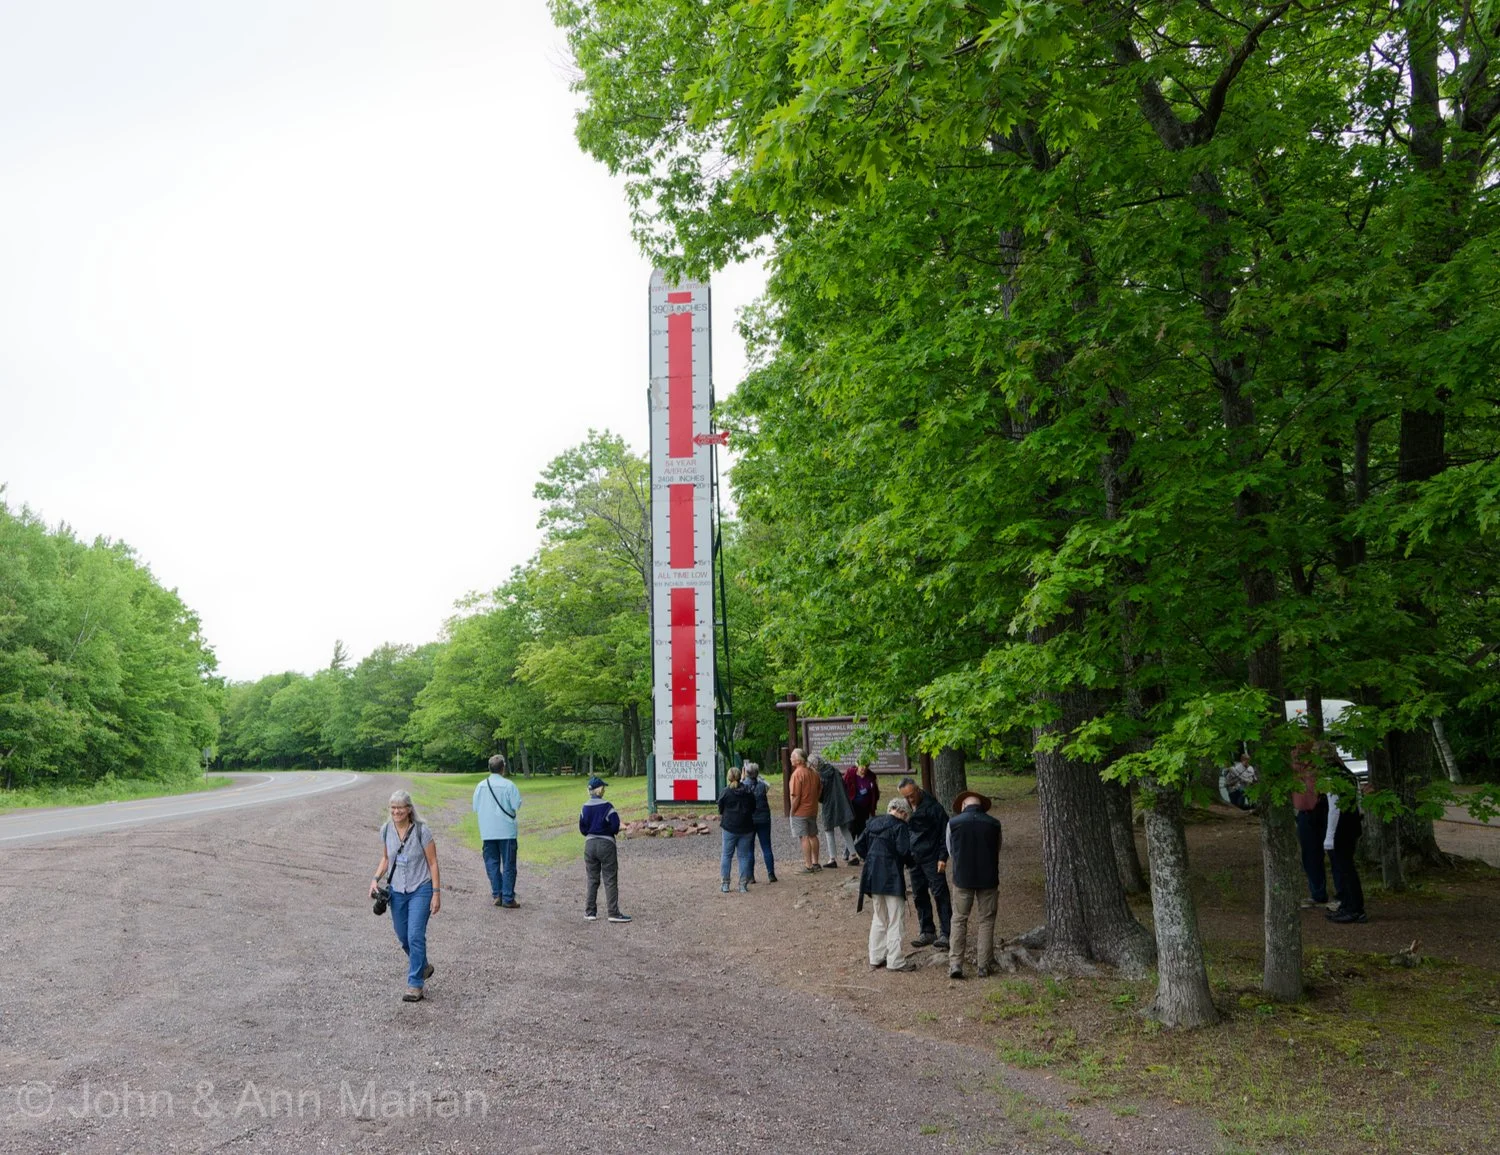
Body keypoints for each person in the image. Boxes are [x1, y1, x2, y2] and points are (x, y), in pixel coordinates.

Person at [370, 790, 441, 1002]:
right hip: (397, 891)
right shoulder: (386, 830)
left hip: (421, 888)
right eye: (393, 807)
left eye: (400, 807)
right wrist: (375, 879)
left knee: (415, 935)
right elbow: (386, 858)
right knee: (403, 936)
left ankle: (415, 984)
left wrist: (436, 893)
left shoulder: (422, 831)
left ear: (409, 809)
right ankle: (423, 965)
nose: (396, 811)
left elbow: (433, 863)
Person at [943, 789, 1002, 979]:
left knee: (959, 919)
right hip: (988, 878)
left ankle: (955, 963)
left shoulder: (953, 823)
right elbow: (997, 848)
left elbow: (950, 850)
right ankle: (983, 965)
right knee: (986, 920)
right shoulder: (994, 824)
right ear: (981, 806)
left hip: (962, 878)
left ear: (963, 806)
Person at [856, 796, 917, 972]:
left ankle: (876, 956)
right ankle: (895, 961)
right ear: (903, 812)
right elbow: (904, 851)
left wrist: (871, 858)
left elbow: (859, 846)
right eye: (907, 816)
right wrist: (911, 863)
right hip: (892, 877)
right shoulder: (900, 827)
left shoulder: (872, 823)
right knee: (896, 919)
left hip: (873, 876)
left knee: (879, 917)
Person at [898, 776, 952, 950]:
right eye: (906, 797)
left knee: (940, 894)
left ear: (918, 790)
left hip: (932, 857)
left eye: (911, 795)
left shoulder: (934, 807)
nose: (910, 799)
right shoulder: (905, 808)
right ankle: (927, 930)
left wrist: (942, 857)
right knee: (919, 895)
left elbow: (945, 833)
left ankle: (947, 933)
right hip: (914, 859)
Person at [472, 753, 523, 908]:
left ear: (489, 768)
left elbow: (475, 807)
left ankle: (497, 893)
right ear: (503, 768)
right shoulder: (509, 785)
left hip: (487, 830)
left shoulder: (480, 786)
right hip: (506, 830)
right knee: (508, 864)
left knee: (492, 863)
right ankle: (507, 897)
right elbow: (516, 805)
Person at [578, 776, 631, 922]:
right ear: (600, 790)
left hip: (589, 845)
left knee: (592, 878)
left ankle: (590, 912)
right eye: (604, 788)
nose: (605, 790)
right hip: (606, 845)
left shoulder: (584, 807)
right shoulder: (608, 806)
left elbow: (583, 829)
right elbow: (614, 826)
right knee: (610, 878)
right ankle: (613, 913)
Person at [1291, 742, 1336, 911]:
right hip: (1305, 813)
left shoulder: (1320, 759)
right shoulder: (1291, 761)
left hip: (1324, 809)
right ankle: (1317, 893)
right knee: (1309, 855)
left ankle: (1342, 894)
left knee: (1334, 853)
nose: (1299, 746)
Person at [1324, 757, 1368, 924]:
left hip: (1342, 827)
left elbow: (1334, 809)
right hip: (1351, 824)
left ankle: (1355, 908)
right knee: (1346, 868)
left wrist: (1329, 836)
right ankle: (1348, 904)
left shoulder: (1332, 778)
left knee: (1346, 869)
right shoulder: (1347, 774)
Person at [716, 765, 757, 892]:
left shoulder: (726, 792)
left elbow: (720, 808)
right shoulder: (748, 791)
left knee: (726, 855)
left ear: (729, 778)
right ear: (740, 777)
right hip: (746, 827)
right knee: (743, 856)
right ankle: (743, 885)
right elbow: (753, 808)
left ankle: (725, 884)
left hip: (729, 827)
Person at [814, 754, 859, 866]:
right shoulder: (834, 770)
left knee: (829, 831)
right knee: (845, 830)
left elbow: (821, 795)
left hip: (829, 805)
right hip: (841, 803)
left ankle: (832, 859)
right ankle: (854, 855)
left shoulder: (820, 776)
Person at [788, 748, 822, 873]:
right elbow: (819, 790)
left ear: (799, 760)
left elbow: (795, 796)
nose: (790, 758)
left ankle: (808, 866)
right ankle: (816, 863)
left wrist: (792, 811)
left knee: (804, 837)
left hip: (800, 811)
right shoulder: (814, 773)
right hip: (812, 810)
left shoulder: (797, 774)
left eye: (793, 756)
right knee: (813, 835)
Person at [742, 762, 777, 883]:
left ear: (747, 773)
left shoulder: (743, 786)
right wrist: (759, 777)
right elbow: (768, 784)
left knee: (749, 849)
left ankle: (750, 876)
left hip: (749, 820)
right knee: (766, 846)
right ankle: (771, 874)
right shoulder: (762, 786)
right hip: (764, 818)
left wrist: (743, 777)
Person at [844, 759, 881, 841]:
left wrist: (873, 807)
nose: (864, 768)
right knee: (851, 830)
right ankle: (849, 848)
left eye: (866, 766)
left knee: (862, 831)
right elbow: (843, 788)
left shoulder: (871, 776)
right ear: (857, 765)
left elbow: (875, 792)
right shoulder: (850, 774)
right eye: (862, 765)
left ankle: (860, 848)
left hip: (865, 809)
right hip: (852, 808)